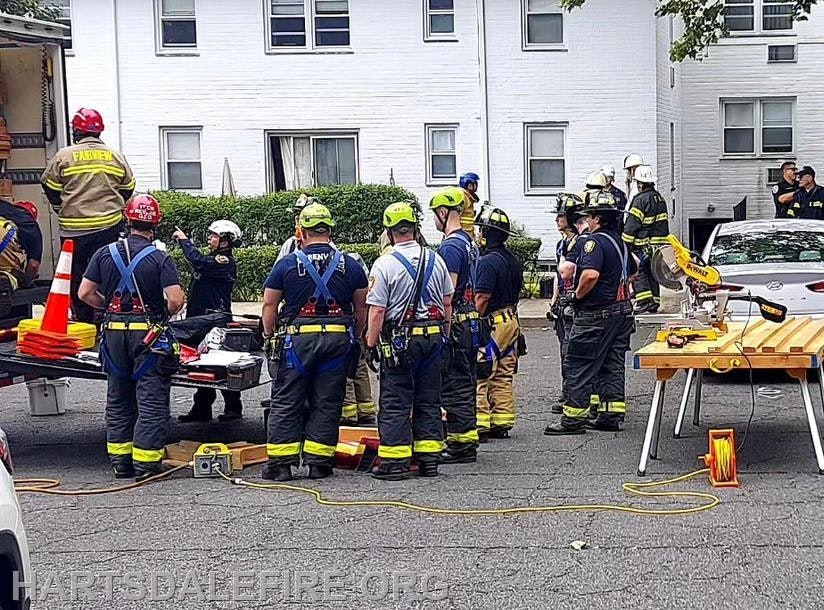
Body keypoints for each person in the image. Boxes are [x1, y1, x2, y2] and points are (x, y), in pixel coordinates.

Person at [78, 195, 185, 480]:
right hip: (147, 334)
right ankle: (146, 463)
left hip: (113, 333)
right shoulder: (160, 258)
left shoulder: (104, 253)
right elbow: (176, 300)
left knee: (118, 396)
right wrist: (161, 313)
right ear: (156, 224)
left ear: (128, 220)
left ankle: (120, 461)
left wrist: (108, 307)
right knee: (150, 397)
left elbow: (84, 293)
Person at [260, 203, 367, 482]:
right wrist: (355, 336)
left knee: (287, 400)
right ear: (329, 230)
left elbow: (269, 305)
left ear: (301, 231)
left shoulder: (286, 264)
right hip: (337, 339)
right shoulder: (351, 265)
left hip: (297, 341)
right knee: (327, 400)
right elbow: (362, 308)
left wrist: (269, 336)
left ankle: (281, 465)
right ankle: (319, 463)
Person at [365, 202, 453, 479]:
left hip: (401, 341)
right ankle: (429, 460)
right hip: (434, 336)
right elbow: (448, 303)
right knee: (429, 398)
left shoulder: (385, 263)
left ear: (389, 232)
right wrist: (445, 336)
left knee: (396, 399)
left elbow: (377, 310)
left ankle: (395, 461)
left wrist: (370, 344)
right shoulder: (436, 259)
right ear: (415, 228)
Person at [544, 192, 636, 435]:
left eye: (589, 216)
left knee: (578, 361)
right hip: (622, 312)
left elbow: (590, 275)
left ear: (597, 218)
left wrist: (577, 296)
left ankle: (572, 419)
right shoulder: (620, 243)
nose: (587, 220)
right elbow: (635, 270)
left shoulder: (591, 242)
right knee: (611, 363)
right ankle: (610, 414)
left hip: (597, 313)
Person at [41, 108, 136, 324]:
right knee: (109, 275)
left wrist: (61, 207)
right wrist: (114, 205)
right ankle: (108, 317)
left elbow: (49, 186)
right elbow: (128, 187)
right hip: (108, 229)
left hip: (73, 231)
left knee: (75, 277)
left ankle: (83, 320)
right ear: (99, 131)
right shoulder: (115, 156)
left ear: (76, 131)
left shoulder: (63, 156)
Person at [172, 220, 245, 423]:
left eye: (214, 236)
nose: (210, 239)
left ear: (225, 241)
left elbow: (198, 261)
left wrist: (185, 241)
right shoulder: (213, 259)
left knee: (219, 364)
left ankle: (233, 407)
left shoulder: (224, 262)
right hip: (199, 319)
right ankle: (202, 408)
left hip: (214, 320)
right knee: (200, 365)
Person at [430, 188, 481, 463]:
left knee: (455, 383)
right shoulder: (469, 242)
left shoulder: (450, 246)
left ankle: (461, 443)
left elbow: (446, 292)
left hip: (458, 321)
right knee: (467, 380)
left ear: (442, 212)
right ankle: (467, 438)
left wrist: (444, 329)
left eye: (434, 215)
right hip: (472, 319)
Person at [474, 207, 523, 440]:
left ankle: (480, 422)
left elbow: (482, 298)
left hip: (492, 323)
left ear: (485, 233)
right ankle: (502, 421)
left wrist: (474, 322)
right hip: (511, 321)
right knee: (503, 373)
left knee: (480, 372)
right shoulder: (512, 260)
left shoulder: (486, 262)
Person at [549, 193, 584, 415]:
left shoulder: (582, 243)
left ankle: (576, 396)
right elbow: (559, 275)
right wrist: (553, 302)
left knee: (574, 353)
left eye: (560, 216)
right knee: (565, 352)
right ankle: (567, 392)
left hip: (576, 304)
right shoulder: (562, 244)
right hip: (563, 303)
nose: (556, 220)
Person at [622, 165, 669, 314]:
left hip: (642, 245)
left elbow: (633, 223)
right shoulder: (660, 198)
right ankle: (654, 302)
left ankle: (644, 301)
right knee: (653, 273)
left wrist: (625, 243)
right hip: (658, 246)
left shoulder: (640, 200)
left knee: (639, 270)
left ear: (640, 183)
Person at [341, 251, 376, 427]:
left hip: (349, 327)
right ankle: (366, 409)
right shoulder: (359, 270)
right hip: (362, 324)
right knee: (360, 367)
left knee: (347, 369)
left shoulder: (345, 270)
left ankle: (348, 412)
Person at [0, 200, 42, 317]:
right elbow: (33, 265)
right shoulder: (31, 225)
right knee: (8, 269)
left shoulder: (5, 206)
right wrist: (26, 281)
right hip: (4, 235)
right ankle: (8, 279)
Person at [276, 194, 322, 263]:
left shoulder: (329, 247)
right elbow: (277, 271)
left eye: (300, 218)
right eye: (297, 218)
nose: (296, 225)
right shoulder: (290, 244)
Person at [458, 173, 481, 237]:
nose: (476, 186)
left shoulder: (469, 197)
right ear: (469, 185)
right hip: (463, 233)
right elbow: (457, 216)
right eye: (475, 183)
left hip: (468, 232)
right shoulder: (463, 196)